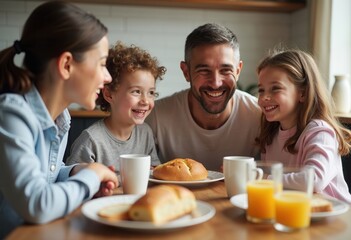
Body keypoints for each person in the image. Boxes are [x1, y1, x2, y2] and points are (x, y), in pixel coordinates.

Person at [0, 1, 119, 238]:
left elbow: (45, 176)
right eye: (102, 64)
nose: (107, 77)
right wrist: (92, 176)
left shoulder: (60, 118)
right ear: (66, 65)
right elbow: (37, 203)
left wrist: (75, 172)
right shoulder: (11, 115)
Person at [145, 23, 261, 171]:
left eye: (226, 70)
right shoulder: (157, 116)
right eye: (204, 71)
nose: (215, 83)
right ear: (186, 72)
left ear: (238, 70)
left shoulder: (259, 115)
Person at [256, 49, 351, 203]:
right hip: (295, 214)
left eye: (275, 88)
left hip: (337, 219)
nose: (264, 97)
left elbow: (314, 180)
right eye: (261, 90)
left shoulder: (320, 132)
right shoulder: (270, 135)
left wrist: (262, 177)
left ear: (303, 93)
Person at [66, 42, 166, 169]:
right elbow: (73, 181)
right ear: (109, 94)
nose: (145, 101)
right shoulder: (92, 140)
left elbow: (154, 171)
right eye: (136, 91)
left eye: (151, 92)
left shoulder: (145, 133)